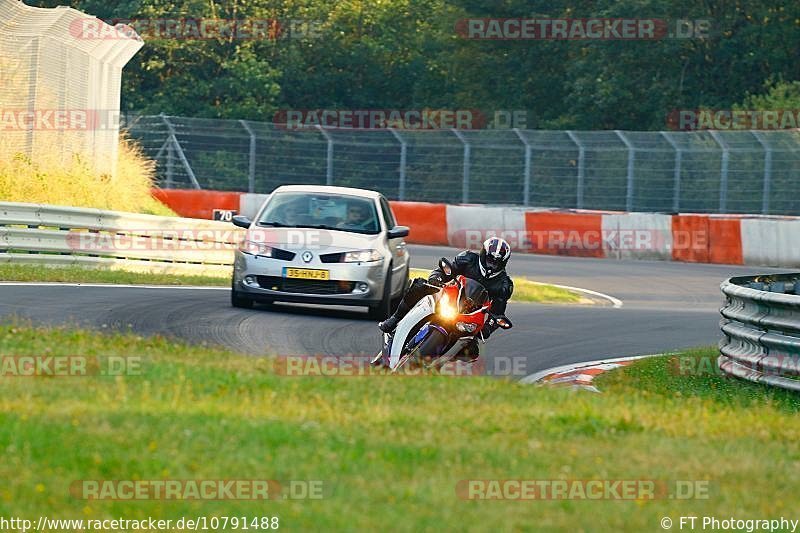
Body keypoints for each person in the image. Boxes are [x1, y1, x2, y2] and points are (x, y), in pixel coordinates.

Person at [378, 237, 513, 362]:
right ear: (483, 255)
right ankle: (395, 319)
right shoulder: (468, 259)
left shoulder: (504, 285)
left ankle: (440, 363)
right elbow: (444, 270)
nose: (491, 265)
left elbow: (498, 313)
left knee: (471, 351)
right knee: (419, 285)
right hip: (450, 298)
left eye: (496, 263)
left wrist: (488, 327)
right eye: (490, 260)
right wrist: (437, 278)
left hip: (471, 315)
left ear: (503, 263)